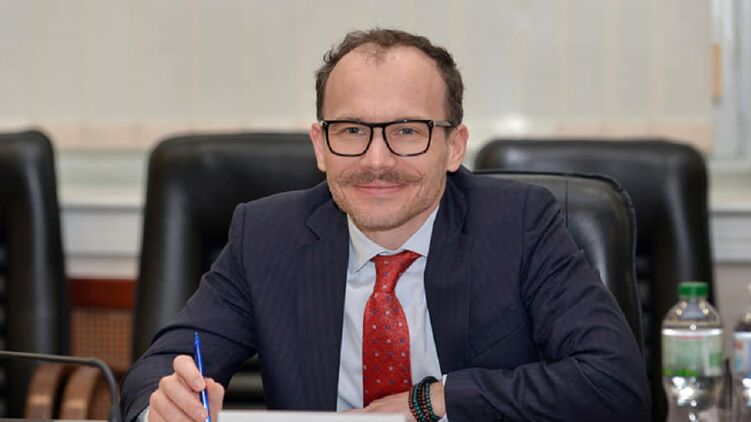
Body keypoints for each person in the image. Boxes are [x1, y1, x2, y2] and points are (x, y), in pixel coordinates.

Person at [120, 28, 650, 421]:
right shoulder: (265, 235)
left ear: (454, 146)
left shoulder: (520, 225)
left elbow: (615, 384)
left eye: (407, 131)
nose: (377, 160)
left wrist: (433, 400)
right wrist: (163, 406)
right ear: (320, 146)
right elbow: (156, 370)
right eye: (352, 130)